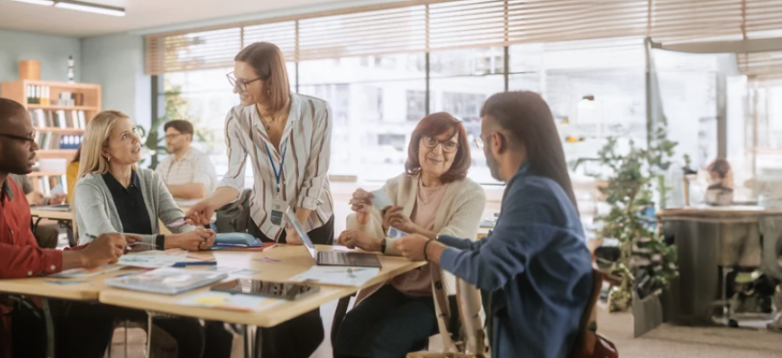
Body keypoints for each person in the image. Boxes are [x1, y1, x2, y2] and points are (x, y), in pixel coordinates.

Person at [0, 98, 128, 358]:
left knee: (96, 310)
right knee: (87, 318)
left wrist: (90, 250)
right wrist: (81, 257)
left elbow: (29, 254)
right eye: (27, 139)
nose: (35, 147)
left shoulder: (13, 190)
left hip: (15, 309)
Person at [391, 91, 593, 358]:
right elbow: (485, 248)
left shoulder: (532, 192)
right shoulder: (535, 186)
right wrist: (427, 239)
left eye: (481, 141)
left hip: (536, 344)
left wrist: (429, 249)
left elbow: (487, 270)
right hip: (543, 332)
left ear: (496, 141)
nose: (483, 149)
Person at [185, 41, 332, 358]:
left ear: (270, 79)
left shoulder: (316, 111)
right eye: (234, 79)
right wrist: (212, 201)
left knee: (302, 309)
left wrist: (300, 224)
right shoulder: (238, 118)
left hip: (313, 220)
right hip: (265, 219)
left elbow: (316, 176)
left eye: (244, 81)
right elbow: (234, 179)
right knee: (267, 305)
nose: (237, 88)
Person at [334, 112, 486, 358]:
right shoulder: (398, 185)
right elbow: (373, 222)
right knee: (350, 328)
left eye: (449, 144)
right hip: (396, 287)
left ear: (459, 151)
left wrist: (381, 242)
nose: (438, 150)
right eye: (431, 140)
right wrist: (364, 216)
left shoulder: (471, 194)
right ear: (417, 143)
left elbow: (449, 244)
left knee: (382, 341)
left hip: (437, 298)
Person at [68, 109, 216, 357]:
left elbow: (177, 220)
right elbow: (111, 241)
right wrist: (173, 241)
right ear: (105, 149)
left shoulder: (149, 178)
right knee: (188, 334)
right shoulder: (88, 186)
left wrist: (197, 233)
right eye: (125, 136)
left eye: (134, 131)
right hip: (102, 283)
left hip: (148, 278)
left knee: (210, 329)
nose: (136, 139)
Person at [157, 119, 218, 206]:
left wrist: (163, 188)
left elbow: (199, 191)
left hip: (197, 215)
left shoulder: (200, 159)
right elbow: (153, 188)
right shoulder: (165, 162)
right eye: (166, 136)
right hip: (172, 214)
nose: (168, 140)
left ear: (187, 138)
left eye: (173, 136)